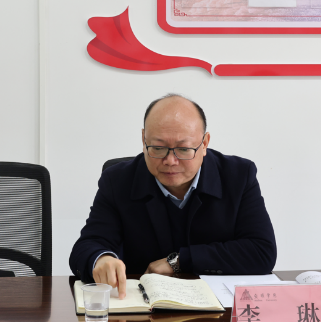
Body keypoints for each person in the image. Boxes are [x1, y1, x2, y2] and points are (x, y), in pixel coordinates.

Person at [69, 94, 276, 296]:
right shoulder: (117, 180)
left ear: (204, 143)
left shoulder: (238, 176)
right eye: (158, 148)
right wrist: (101, 259)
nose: (170, 161)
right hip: (142, 305)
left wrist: (179, 261)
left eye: (183, 149)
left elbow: (261, 251)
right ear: (143, 139)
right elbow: (86, 246)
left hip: (215, 307)